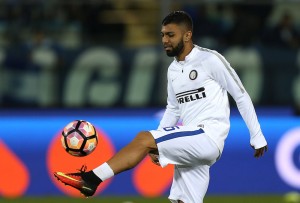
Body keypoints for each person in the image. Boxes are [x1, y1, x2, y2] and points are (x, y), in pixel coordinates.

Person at [54, 11, 268, 203]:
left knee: (142, 138)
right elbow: (173, 109)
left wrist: (256, 135)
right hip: (191, 140)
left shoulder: (210, 59)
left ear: (187, 35)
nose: (165, 40)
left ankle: (90, 179)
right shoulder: (173, 70)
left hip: (207, 136)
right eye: (163, 35)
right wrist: (160, 135)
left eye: (170, 35)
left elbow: (240, 94)